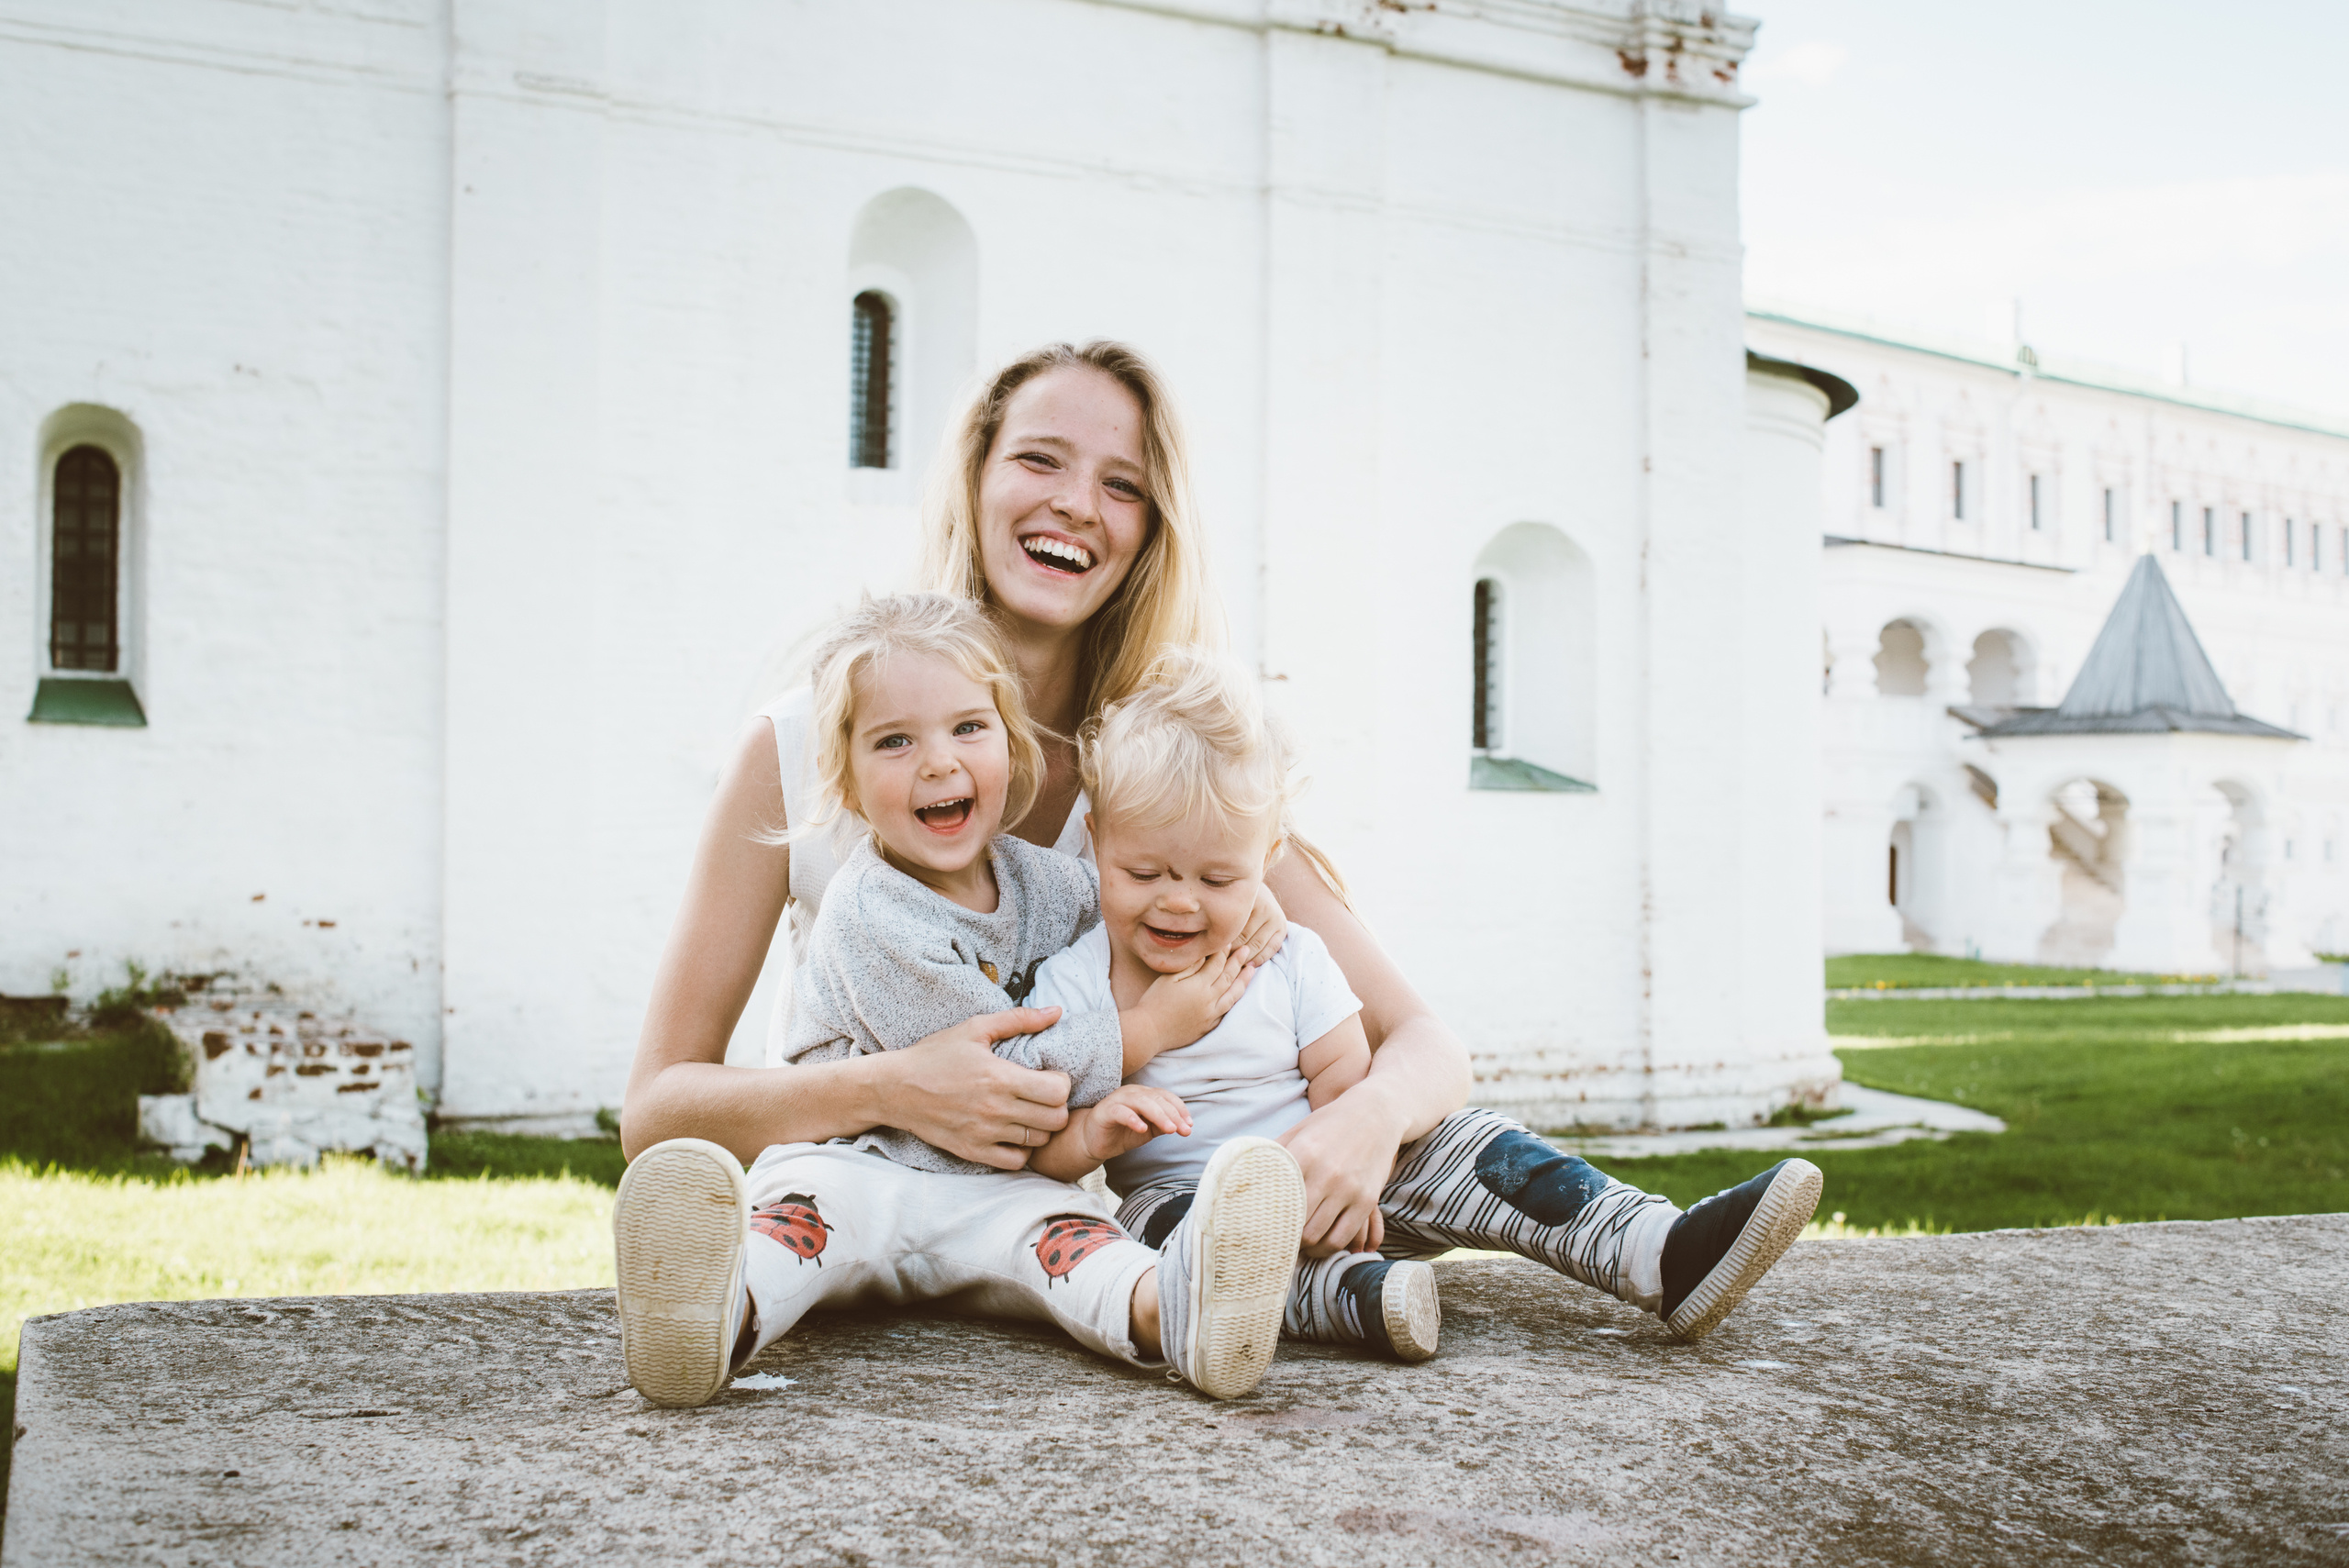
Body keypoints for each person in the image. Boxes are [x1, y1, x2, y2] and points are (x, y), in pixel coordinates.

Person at [619, 339, 1816, 1394]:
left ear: (1151, 529)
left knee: (1223, 1217)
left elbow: (1425, 1045)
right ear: (975, 476)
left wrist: (1363, 1122)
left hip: (1053, 1222)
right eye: (1039, 459)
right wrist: (890, 1089)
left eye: (1122, 483)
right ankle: (725, 1311)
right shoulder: (801, 746)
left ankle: (1644, 1249)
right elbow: (657, 1109)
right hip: (871, 1191)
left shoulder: (1167, 776)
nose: (1075, 503)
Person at [616, 594, 1307, 1406]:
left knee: (1077, 1246)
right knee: (793, 1232)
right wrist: (1144, 1030)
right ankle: (711, 1313)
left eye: (968, 728)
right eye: (895, 740)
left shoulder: (1034, 878)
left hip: (997, 1185)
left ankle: (1177, 1310)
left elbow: (1130, 899)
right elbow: (995, 1076)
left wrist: (1237, 896)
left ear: (1012, 749)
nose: (938, 762)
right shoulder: (869, 910)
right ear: (844, 777)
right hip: (856, 1163)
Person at [1027, 645, 1444, 1362]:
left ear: (1265, 859)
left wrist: (1358, 1153)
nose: (1179, 899)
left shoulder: (1288, 956)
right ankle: (1359, 1297)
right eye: (1144, 870)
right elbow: (1038, 1148)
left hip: (1314, 1173)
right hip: (1176, 1192)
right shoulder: (1074, 982)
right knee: (1178, 1239)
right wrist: (1094, 1133)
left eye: (1218, 879)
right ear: (1096, 844)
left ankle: (1635, 1239)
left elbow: (1342, 1065)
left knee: (1468, 1138)